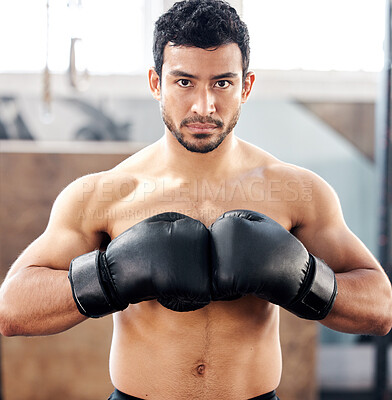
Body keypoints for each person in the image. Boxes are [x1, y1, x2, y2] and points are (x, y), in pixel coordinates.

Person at [1, 1, 391, 399]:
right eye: (184, 82)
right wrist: (109, 275)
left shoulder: (298, 192)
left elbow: (380, 308)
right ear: (156, 83)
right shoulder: (104, 195)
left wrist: (304, 279)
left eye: (222, 83)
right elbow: (12, 309)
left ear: (246, 86)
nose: (203, 106)